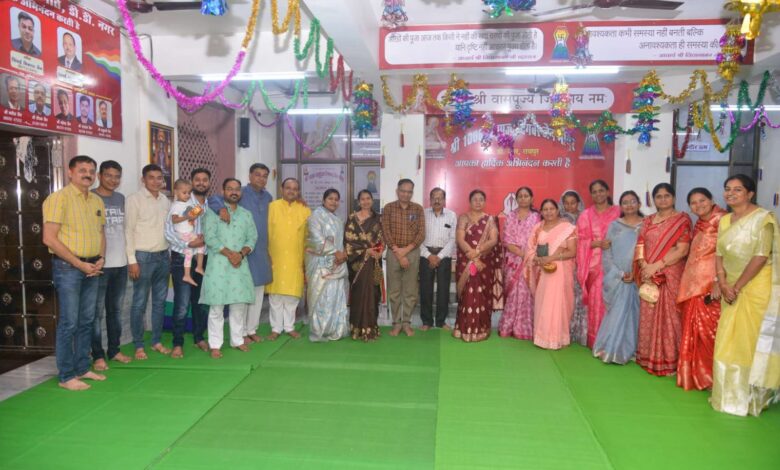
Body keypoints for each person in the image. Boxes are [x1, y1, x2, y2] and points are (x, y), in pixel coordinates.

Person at [712, 174, 780, 416]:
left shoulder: (764, 219)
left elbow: (761, 256)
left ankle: (752, 398)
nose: (731, 193)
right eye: (727, 189)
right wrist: (722, 282)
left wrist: (737, 286)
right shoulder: (725, 220)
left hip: (755, 286)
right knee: (727, 338)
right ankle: (729, 394)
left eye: (737, 189)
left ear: (750, 194)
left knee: (749, 340)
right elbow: (718, 253)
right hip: (730, 285)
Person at [42, 155, 105, 391]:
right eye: (82, 170)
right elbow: (49, 238)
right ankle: (66, 376)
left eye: (91, 170)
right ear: (70, 172)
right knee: (69, 322)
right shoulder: (58, 199)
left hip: (92, 268)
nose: (87, 174)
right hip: (69, 268)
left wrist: (101, 259)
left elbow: (101, 234)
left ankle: (81, 368)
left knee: (87, 321)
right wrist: (79, 264)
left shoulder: (97, 200)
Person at [633, 183, 691, 376]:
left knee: (670, 317)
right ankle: (648, 357)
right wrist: (643, 266)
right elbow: (640, 245)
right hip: (649, 274)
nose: (663, 199)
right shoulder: (648, 220)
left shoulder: (682, 220)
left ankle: (670, 361)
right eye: (659, 196)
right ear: (654, 199)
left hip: (670, 273)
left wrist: (656, 267)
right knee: (648, 314)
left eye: (667, 196)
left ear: (674, 198)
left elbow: (682, 249)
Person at [211, 163, 273, 345]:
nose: (261, 178)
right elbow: (213, 199)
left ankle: (251, 329)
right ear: (250, 176)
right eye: (258, 175)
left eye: (264, 176)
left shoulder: (268, 197)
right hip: (242, 253)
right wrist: (220, 209)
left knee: (258, 292)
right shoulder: (241, 192)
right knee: (243, 293)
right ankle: (241, 333)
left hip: (259, 250)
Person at [199, 178, 257, 358]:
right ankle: (215, 344)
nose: (234, 192)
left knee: (238, 305)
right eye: (230, 189)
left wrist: (240, 254)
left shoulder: (246, 214)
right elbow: (210, 238)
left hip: (239, 263)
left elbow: (252, 237)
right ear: (223, 191)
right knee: (217, 307)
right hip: (218, 264)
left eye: (237, 189)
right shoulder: (212, 212)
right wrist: (230, 254)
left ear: (241, 192)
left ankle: (237, 340)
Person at [676, 188, 727, 390]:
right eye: (694, 203)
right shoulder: (699, 223)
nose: (699, 205)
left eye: (702, 200)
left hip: (709, 285)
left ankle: (712, 378)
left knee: (710, 332)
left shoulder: (724, 220)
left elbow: (728, 253)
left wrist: (718, 280)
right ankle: (695, 375)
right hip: (692, 284)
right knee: (693, 331)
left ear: (711, 199)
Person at [125, 164, 171, 360]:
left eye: (159, 178)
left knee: (160, 303)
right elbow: (128, 230)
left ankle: (156, 341)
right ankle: (138, 345)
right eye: (151, 177)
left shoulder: (165, 201)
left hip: (163, 256)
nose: (155, 181)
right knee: (139, 303)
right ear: (143, 180)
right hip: (142, 258)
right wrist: (132, 260)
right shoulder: (133, 200)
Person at [592, 191, 643, 364]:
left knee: (635, 314)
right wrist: (619, 274)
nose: (629, 205)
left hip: (639, 276)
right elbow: (607, 252)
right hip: (618, 277)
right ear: (620, 206)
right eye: (625, 202)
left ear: (639, 204)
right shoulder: (615, 225)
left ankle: (632, 350)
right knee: (617, 313)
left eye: (633, 201)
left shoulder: (647, 225)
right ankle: (611, 349)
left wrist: (637, 273)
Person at [91, 160, 132, 371]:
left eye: (117, 176)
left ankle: (114, 350)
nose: (113, 180)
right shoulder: (91, 197)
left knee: (115, 311)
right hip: (98, 266)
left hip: (120, 264)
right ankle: (97, 355)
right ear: (100, 175)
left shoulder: (121, 198)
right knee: (96, 313)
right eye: (109, 175)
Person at [166, 168, 211, 356]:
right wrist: (189, 242)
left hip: (202, 257)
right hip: (182, 256)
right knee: (183, 303)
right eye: (197, 180)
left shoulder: (210, 205)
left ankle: (199, 338)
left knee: (201, 302)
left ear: (209, 183)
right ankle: (178, 342)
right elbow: (168, 231)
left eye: (205, 180)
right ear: (192, 183)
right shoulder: (180, 203)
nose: (201, 183)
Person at [525, 199, 577, 350]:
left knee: (558, 302)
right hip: (543, 270)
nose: (548, 212)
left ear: (557, 210)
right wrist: (538, 259)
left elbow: (572, 251)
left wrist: (552, 258)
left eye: (551, 209)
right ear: (541, 212)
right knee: (543, 301)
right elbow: (530, 249)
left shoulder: (567, 227)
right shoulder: (537, 228)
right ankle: (542, 337)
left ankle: (556, 338)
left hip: (560, 270)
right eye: (545, 209)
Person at [577, 180, 621, 348]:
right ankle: (597, 341)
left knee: (615, 302)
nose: (598, 194)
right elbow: (581, 241)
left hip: (617, 265)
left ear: (608, 191)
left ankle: (614, 342)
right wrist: (597, 243)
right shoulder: (586, 215)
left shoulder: (618, 212)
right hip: (594, 266)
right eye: (594, 192)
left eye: (601, 190)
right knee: (597, 303)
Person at [453, 190, 501, 342]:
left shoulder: (490, 220)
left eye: (481, 199)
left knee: (481, 295)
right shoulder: (463, 218)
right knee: (467, 294)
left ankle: (481, 329)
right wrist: (471, 255)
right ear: (470, 201)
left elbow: (493, 240)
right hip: (466, 261)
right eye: (475, 199)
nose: (478, 202)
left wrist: (478, 251)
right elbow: (460, 238)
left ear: (485, 202)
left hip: (484, 263)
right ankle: (463, 328)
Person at [266, 178, 311, 340]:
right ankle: (276, 328)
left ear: (298, 192)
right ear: (281, 189)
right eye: (288, 188)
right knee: (276, 296)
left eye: (295, 189)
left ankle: (289, 326)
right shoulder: (272, 207)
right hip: (274, 258)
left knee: (292, 296)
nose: (291, 191)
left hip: (295, 258)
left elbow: (309, 236)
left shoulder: (305, 210)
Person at [382, 179, 425, 336]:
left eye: (409, 192)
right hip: (393, 252)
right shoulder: (388, 208)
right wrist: (398, 252)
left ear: (412, 193)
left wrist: (405, 251)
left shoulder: (418, 209)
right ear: (397, 191)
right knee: (394, 290)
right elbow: (386, 231)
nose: (406, 194)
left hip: (412, 252)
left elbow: (421, 234)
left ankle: (406, 323)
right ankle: (396, 323)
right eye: (403, 191)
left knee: (410, 290)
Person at [305, 189, 349, 342]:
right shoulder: (315, 217)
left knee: (335, 295)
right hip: (319, 265)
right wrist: (335, 252)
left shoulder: (338, 219)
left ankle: (335, 329)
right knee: (321, 297)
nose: (333, 202)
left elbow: (340, 241)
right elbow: (315, 239)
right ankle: (320, 330)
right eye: (330, 198)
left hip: (336, 264)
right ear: (323, 200)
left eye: (336, 199)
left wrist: (342, 255)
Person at [499, 187, 540, 339]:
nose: (523, 198)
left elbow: (539, 239)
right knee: (512, 294)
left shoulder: (537, 217)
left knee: (527, 294)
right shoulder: (510, 216)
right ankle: (508, 326)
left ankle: (524, 328)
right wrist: (523, 254)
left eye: (526, 196)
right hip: (513, 261)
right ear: (516, 199)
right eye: (520, 196)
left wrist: (529, 255)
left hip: (531, 262)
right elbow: (507, 240)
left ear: (531, 198)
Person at [345, 190, 384, 341]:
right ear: (358, 201)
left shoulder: (378, 219)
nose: (366, 201)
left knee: (372, 294)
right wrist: (365, 250)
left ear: (372, 200)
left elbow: (381, 240)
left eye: (368, 198)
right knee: (358, 294)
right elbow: (349, 241)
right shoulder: (352, 218)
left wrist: (378, 252)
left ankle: (370, 327)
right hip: (357, 263)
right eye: (363, 199)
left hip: (373, 261)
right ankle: (357, 328)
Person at [419, 187, 456, 330]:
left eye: (440, 197)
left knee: (443, 290)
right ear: (430, 199)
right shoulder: (422, 214)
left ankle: (441, 321)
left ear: (445, 200)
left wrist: (439, 256)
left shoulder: (451, 215)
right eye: (434, 197)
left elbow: (452, 239)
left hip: (444, 256)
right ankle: (426, 321)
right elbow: (418, 237)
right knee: (425, 289)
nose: (437, 200)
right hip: (425, 254)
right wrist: (429, 255)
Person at [560, 190, 588, 346]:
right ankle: (566, 329)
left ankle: (581, 330)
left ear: (579, 203)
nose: (570, 206)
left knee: (582, 295)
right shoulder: (560, 220)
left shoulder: (585, 218)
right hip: (566, 263)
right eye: (567, 203)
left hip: (585, 261)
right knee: (567, 295)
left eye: (573, 202)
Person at [167, 179, 205, 287]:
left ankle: (199, 267)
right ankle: (187, 275)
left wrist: (196, 213)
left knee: (201, 244)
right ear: (176, 192)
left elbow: (195, 213)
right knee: (188, 252)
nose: (187, 195)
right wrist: (187, 217)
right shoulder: (176, 205)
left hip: (189, 232)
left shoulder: (188, 203)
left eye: (189, 192)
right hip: (182, 234)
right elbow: (174, 220)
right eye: (184, 193)